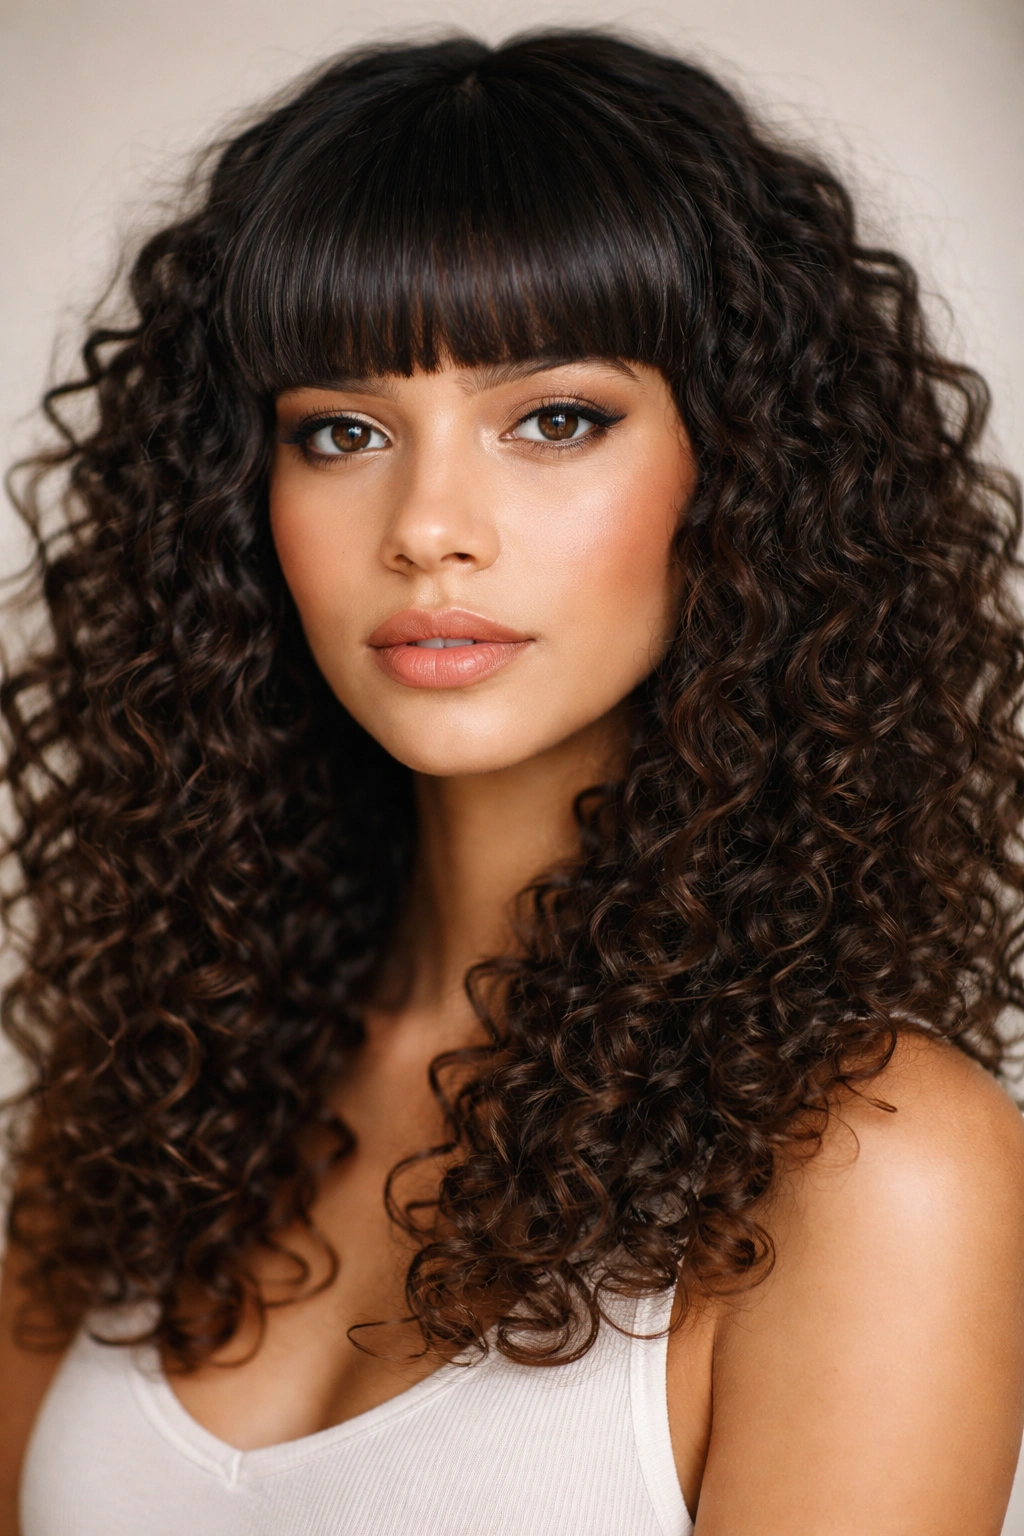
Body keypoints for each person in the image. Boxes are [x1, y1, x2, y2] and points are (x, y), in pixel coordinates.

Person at [1, 29, 1023, 1536]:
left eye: (555, 418)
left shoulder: (870, 1163)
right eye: (342, 431)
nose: (428, 526)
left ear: (746, 472)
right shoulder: (151, 1083)